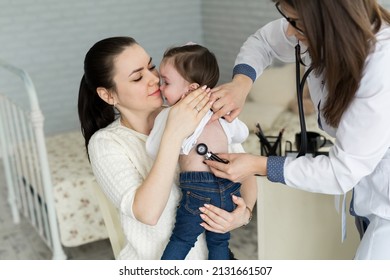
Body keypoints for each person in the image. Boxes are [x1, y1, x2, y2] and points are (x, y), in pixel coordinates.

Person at [205, 0, 390, 260]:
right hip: (370, 190)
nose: (290, 33)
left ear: (329, 24)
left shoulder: (381, 66)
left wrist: (258, 165)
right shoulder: (328, 34)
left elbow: (341, 172)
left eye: (297, 24)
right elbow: (263, 42)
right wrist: (241, 84)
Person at [77, 36, 256, 260]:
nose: (154, 79)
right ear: (108, 95)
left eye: (151, 67)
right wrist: (173, 134)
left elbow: (245, 171)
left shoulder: (195, 111)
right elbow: (148, 213)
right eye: (138, 77)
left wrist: (244, 214)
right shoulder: (107, 143)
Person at [145, 43, 253, 260]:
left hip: (197, 188)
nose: (160, 87)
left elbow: (153, 148)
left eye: (165, 82)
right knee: (220, 242)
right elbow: (241, 133)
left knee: (182, 240)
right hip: (228, 187)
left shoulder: (171, 114)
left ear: (192, 89)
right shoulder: (220, 110)